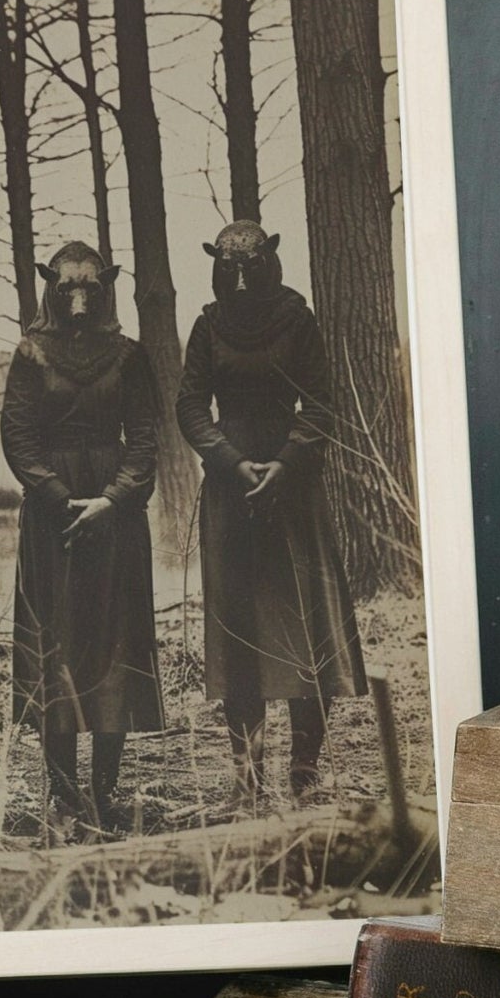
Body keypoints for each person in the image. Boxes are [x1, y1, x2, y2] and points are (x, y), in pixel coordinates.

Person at [174, 221, 367, 809]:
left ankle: (304, 770)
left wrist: (286, 461)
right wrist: (231, 462)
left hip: (293, 489)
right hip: (233, 493)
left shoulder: (297, 319)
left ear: (269, 263)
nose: (236, 281)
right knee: (241, 632)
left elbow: (321, 401)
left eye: (248, 269)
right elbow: (190, 405)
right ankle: (247, 775)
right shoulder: (208, 325)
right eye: (226, 269)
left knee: (304, 623)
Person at [0, 241, 161, 837]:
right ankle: (63, 795)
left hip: (114, 519)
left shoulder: (128, 355)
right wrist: (55, 495)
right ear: (50, 287)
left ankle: (105, 791)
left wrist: (113, 500)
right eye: (65, 286)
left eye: (88, 287)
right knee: (56, 649)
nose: (76, 299)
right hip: (53, 521)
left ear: (104, 287)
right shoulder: (30, 354)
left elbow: (144, 438)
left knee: (113, 645)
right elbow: (17, 437)